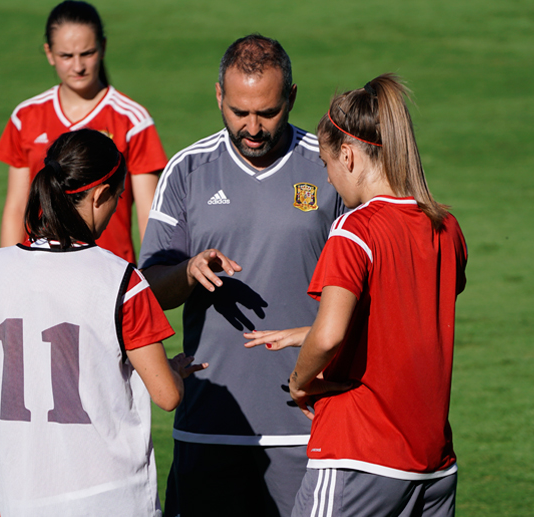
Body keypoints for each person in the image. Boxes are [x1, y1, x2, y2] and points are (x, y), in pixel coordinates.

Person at [138, 35, 344, 517]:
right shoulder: (187, 171)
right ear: (218, 97)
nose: (252, 128)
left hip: (308, 423)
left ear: (291, 98)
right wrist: (187, 272)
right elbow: (149, 289)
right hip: (209, 423)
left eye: (268, 113)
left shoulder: (330, 167)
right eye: (238, 112)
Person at [248, 74, 467, 517]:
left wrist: (301, 382)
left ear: (347, 156)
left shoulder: (354, 229)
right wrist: (305, 332)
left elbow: (329, 338)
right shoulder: (445, 227)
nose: (328, 182)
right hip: (433, 463)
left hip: (360, 455)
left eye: (327, 166)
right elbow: (408, 313)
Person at [0, 129, 206, 516]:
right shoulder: (121, 279)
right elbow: (167, 396)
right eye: (118, 197)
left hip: (23, 496)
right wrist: (175, 372)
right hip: (112, 497)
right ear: (100, 195)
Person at [0, 0, 167, 263]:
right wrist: (9, 268)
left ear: (103, 47)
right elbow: (17, 207)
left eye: (87, 53)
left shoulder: (133, 119)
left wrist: (150, 278)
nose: (78, 66)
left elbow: (148, 215)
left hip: (109, 271)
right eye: (66, 56)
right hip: (40, 270)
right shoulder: (25, 117)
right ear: (49, 53)